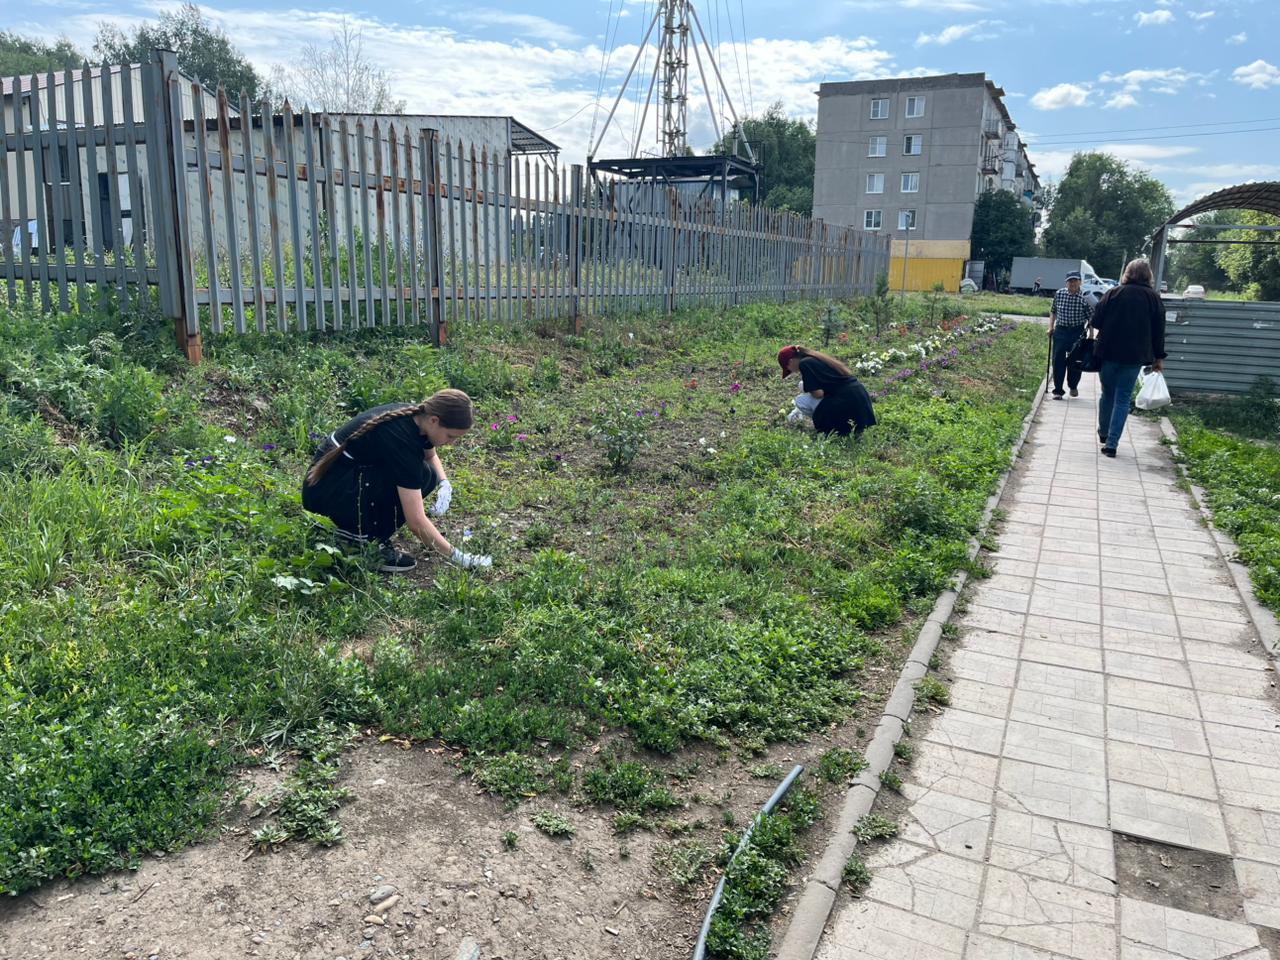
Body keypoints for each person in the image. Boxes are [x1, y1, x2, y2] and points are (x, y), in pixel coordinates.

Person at [302, 388, 492, 573]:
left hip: (334, 482)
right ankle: (360, 542)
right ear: (435, 420)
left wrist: (444, 483)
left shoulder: (416, 415)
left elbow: (430, 457)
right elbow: (416, 522)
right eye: (450, 436)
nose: (451, 443)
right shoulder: (401, 441)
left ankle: (363, 533)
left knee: (428, 476)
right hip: (327, 496)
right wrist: (460, 557)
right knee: (418, 476)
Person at [1090, 258, 1167, 458]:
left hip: (1108, 352)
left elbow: (1096, 321)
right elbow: (1159, 331)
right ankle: (1112, 444)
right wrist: (1159, 357)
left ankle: (1104, 433)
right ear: (1148, 275)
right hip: (1135, 356)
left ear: (1128, 273)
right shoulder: (1153, 298)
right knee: (1123, 398)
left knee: (1107, 394)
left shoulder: (1113, 293)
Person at [778, 345, 876, 438]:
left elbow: (818, 394)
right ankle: (850, 427)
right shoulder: (815, 358)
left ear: (790, 362)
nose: (793, 372)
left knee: (801, 400)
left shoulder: (804, 364)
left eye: (788, 370)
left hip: (846, 402)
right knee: (802, 385)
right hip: (859, 400)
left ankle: (833, 426)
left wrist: (809, 389)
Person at [1047, 271, 1094, 400]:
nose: (1072, 283)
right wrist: (1050, 327)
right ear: (1066, 282)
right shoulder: (1060, 293)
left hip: (1077, 332)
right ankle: (1058, 390)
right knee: (1058, 360)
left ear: (1080, 282)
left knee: (1075, 361)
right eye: (1070, 281)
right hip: (1061, 331)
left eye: (1075, 280)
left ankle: (1073, 385)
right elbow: (1053, 311)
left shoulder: (1084, 296)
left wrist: (1091, 334)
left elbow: (1091, 318)